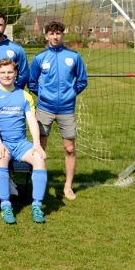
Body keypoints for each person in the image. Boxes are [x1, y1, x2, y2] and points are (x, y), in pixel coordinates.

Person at [0, 58, 48, 224]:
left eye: (10, 72)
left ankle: (37, 206)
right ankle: (6, 206)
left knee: (39, 159)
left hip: (20, 143)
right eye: (3, 72)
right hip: (1, 142)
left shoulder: (24, 96)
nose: (6, 75)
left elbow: (32, 121)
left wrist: (37, 145)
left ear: (16, 73)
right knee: (1, 158)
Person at [28, 21, 88, 201]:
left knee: (69, 148)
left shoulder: (74, 57)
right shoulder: (39, 58)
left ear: (63, 35)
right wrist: (45, 96)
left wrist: (69, 95)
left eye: (58, 33)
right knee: (40, 149)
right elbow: (32, 83)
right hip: (44, 108)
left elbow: (82, 81)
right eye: (52, 33)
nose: (55, 37)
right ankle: (40, 185)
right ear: (46, 36)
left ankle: (68, 186)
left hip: (66, 109)